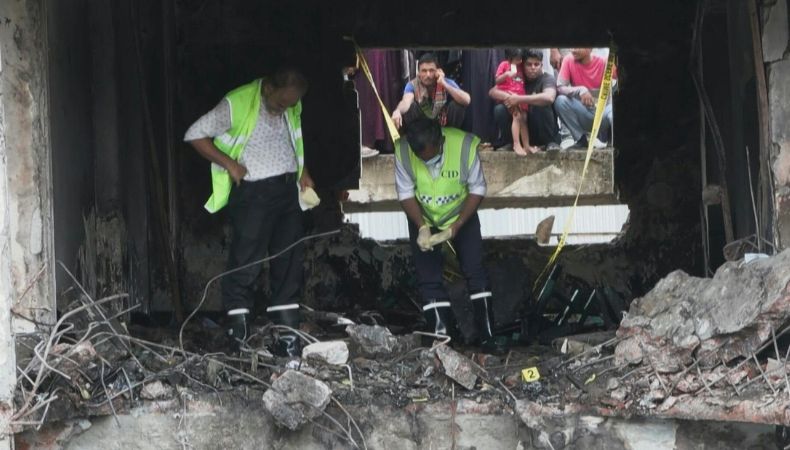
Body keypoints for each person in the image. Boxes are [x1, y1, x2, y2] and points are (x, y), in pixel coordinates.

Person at [184, 66, 318, 357]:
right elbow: (195, 134)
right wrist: (229, 164)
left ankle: (287, 336)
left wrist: (302, 171)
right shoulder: (238, 102)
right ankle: (238, 334)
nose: (286, 108)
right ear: (268, 89)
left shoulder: (291, 104)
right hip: (253, 193)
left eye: (292, 104)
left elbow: (293, 139)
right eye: (283, 103)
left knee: (288, 260)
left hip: (287, 190)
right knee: (246, 261)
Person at [394, 117, 499, 350]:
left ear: (441, 141)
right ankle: (442, 339)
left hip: (461, 213)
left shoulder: (463, 145)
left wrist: (457, 225)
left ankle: (488, 336)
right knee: (428, 277)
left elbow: (478, 187)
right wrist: (421, 227)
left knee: (475, 270)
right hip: (424, 216)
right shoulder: (403, 150)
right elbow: (405, 192)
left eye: (433, 156)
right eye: (423, 159)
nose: (428, 162)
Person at [489, 48, 561, 151]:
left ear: (542, 65)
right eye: (529, 64)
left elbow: (549, 97)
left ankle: (549, 142)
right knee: (500, 109)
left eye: (536, 64)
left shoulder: (547, 78)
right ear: (522, 65)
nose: (533, 68)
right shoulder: (517, 77)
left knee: (541, 104)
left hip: (543, 128)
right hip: (524, 127)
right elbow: (492, 91)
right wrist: (509, 98)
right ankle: (510, 142)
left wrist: (519, 99)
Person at [554, 48, 616, 149]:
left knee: (613, 112)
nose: (573, 50)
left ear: (590, 48)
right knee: (560, 101)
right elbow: (560, 87)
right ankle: (580, 139)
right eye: (571, 46)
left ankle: (614, 142)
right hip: (583, 112)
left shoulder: (604, 62)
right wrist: (580, 90)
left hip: (603, 115)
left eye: (578, 46)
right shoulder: (568, 60)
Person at [391, 53, 471, 130]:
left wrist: (444, 84)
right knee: (410, 108)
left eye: (431, 70)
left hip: (444, 124)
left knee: (457, 105)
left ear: (437, 71)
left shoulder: (445, 81)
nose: (428, 75)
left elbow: (467, 100)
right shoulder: (413, 84)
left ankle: (451, 136)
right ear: (418, 73)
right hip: (422, 126)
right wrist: (398, 111)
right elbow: (406, 101)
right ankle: (417, 138)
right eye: (424, 71)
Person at [492, 49, 538, 155]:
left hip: (520, 97)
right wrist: (506, 75)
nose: (520, 60)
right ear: (510, 57)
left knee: (523, 119)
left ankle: (526, 146)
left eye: (521, 58)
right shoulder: (504, 65)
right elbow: (497, 81)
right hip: (509, 95)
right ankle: (516, 144)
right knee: (516, 117)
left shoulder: (520, 67)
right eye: (517, 59)